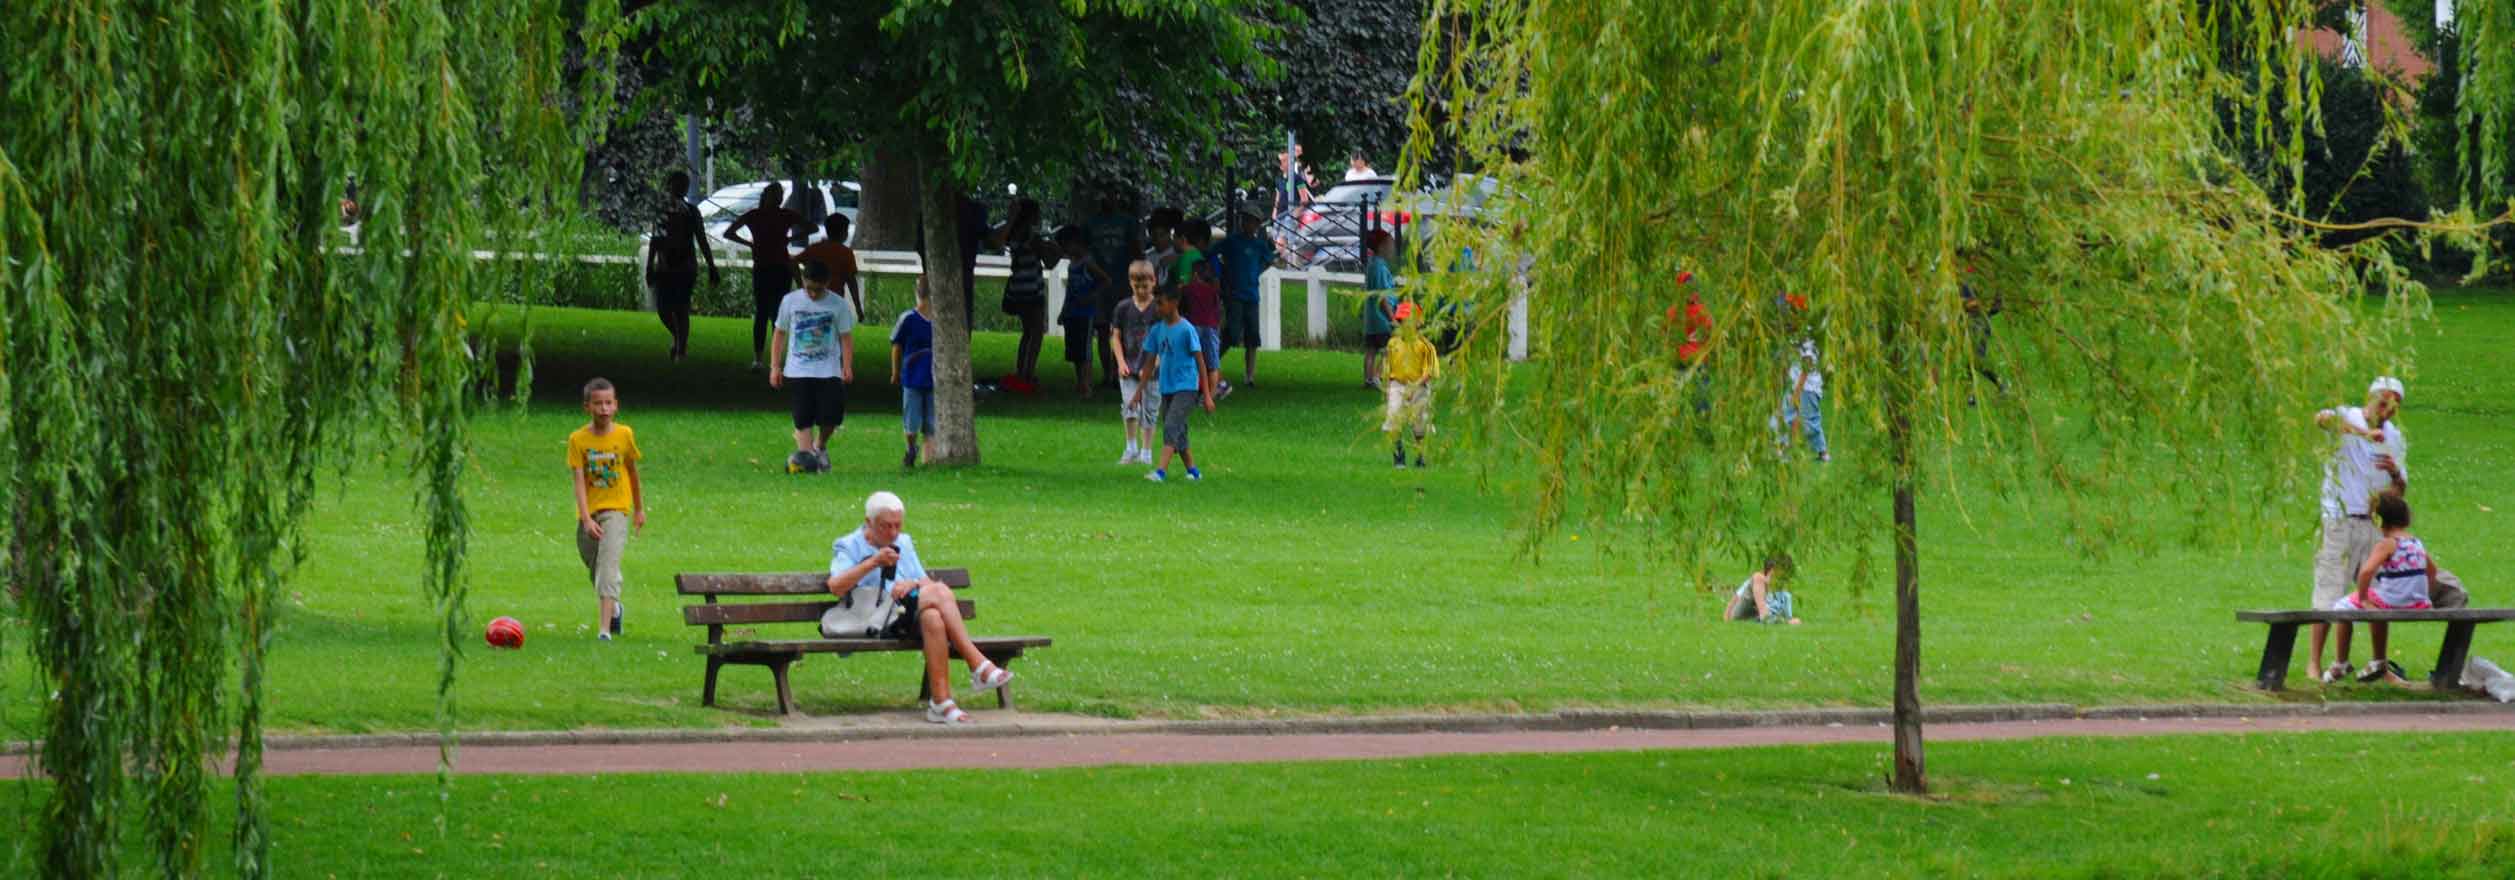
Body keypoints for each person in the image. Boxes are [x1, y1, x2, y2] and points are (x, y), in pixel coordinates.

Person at [826, 491, 1012, 724]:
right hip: (876, 619)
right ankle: (978, 665)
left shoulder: (903, 542)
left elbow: (924, 582)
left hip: (906, 615)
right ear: (869, 523)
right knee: (941, 592)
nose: (893, 533)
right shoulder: (848, 546)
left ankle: (941, 704)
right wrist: (873, 563)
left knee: (933, 616)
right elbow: (835, 586)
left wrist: (911, 583)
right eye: (886, 526)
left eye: (898, 525)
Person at [2307, 376, 2408, 684]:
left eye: (2394, 407)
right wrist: (2366, 434)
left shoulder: (2395, 438)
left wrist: (2394, 474)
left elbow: (2400, 492)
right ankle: (2314, 664)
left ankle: (2379, 664)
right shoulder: (2347, 416)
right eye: (2383, 403)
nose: (2387, 411)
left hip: (2373, 524)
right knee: (2330, 589)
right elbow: (2320, 420)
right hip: (2339, 517)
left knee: (2378, 595)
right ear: (2372, 397)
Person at [568, 378, 644, 640]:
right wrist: (586, 519)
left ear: (616, 405)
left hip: (617, 510)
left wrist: (639, 510)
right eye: (598, 403)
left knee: (608, 568)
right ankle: (615, 610)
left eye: (608, 403)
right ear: (587, 406)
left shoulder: (624, 435)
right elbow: (579, 481)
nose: (604, 409)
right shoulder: (578, 440)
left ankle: (604, 630)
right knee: (595, 566)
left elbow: (633, 472)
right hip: (590, 513)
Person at [2333, 491, 2435, 685]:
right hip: (2417, 603)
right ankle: (2379, 661)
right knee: (2377, 604)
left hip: (2392, 602)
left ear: (2378, 520)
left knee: (2341, 607)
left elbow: (2366, 572)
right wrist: (2423, 595)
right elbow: (2432, 571)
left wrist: (2363, 599)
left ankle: (2341, 663)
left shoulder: (2388, 544)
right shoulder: (2416, 543)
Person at [770, 260, 856, 473]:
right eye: (809, 288)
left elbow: (846, 337)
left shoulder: (838, 305)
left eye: (818, 289)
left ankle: (820, 446)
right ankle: (808, 459)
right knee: (802, 416)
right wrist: (774, 366)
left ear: (827, 283)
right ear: (803, 281)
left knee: (832, 416)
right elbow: (779, 333)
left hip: (828, 370)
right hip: (798, 370)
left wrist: (847, 365)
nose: (813, 294)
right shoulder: (790, 301)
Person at [1132, 284, 1215, 482]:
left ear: (1174, 303)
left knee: (1171, 425)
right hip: (1167, 387)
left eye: (1160, 304)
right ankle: (1193, 472)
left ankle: (1160, 472)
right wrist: (1138, 392)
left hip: (1186, 388)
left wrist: (1208, 395)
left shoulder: (1187, 330)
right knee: (1179, 430)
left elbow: (1201, 363)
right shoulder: (1156, 331)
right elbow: (1150, 363)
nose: (1157, 308)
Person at [724, 182, 804, 371]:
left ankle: (769, 359)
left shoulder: (760, 215)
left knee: (772, 313)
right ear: (768, 196)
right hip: (770, 268)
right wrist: (752, 244)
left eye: (778, 195)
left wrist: (752, 243)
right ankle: (760, 358)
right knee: (765, 313)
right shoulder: (765, 215)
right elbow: (810, 228)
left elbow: (730, 232)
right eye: (775, 195)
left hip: (773, 269)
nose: (777, 199)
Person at [644, 170, 720, 360]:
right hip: (664, 266)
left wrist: (711, 265)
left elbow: (702, 240)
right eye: (676, 184)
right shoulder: (661, 211)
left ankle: (681, 351)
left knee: (681, 308)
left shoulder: (692, 212)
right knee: (663, 309)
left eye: (683, 185)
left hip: (685, 267)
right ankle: (679, 338)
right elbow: (655, 239)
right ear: (669, 186)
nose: (680, 188)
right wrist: (649, 265)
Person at [1085, 194, 1143, 388]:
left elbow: (1136, 250)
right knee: (1102, 329)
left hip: (1122, 283)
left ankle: (1120, 370)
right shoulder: (1091, 223)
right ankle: (1106, 374)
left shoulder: (1127, 222)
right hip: (1099, 284)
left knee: (1121, 329)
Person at [1107, 261, 1162, 465]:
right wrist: (1120, 362)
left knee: (1150, 410)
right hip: (1129, 368)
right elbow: (1115, 337)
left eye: (1145, 285)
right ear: (1130, 283)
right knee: (1130, 406)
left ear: (1153, 282)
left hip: (1153, 370)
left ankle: (1146, 452)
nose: (1141, 289)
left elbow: (1164, 341)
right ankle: (1131, 448)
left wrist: (1154, 364)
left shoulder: (1159, 309)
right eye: (1136, 285)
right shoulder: (1122, 308)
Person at [993, 199, 1050, 386]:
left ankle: (1021, 371)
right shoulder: (1031, 237)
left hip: (1018, 287)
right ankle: (1028, 373)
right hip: (1032, 287)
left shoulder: (1014, 234)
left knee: (1028, 331)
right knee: (1037, 331)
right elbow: (1049, 259)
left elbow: (999, 242)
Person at [1214, 209, 1273, 387]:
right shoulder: (1232, 242)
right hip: (1234, 294)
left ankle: (1250, 375)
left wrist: (1256, 272)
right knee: (1231, 333)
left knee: (1252, 336)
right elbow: (1212, 253)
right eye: (1246, 220)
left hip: (1251, 295)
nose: (1249, 224)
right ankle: (1212, 362)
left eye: (1253, 221)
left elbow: (1269, 260)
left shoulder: (1259, 245)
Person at [1382, 302, 1440, 468]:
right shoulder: (1393, 343)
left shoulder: (1425, 346)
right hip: (1397, 385)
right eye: (1401, 321)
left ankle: (1421, 456)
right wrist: (1388, 388)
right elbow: (1388, 367)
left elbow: (1429, 371)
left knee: (1420, 424)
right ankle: (1398, 456)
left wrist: (1415, 387)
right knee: (1393, 419)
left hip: (1419, 387)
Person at [1772, 296, 1828, 462]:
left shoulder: (1807, 335)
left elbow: (1807, 364)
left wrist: (1797, 392)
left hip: (1808, 387)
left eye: (1791, 311)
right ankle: (1784, 449)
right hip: (1795, 384)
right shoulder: (1793, 335)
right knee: (1787, 415)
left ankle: (1822, 452)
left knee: (1810, 421)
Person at [1053, 225, 1106, 397]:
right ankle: (1080, 382)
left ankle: (1087, 384)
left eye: (1065, 245)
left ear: (1075, 243)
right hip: (1072, 313)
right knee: (1074, 351)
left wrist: (1092, 296)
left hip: (1085, 313)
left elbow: (1105, 280)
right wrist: (1063, 311)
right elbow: (1069, 290)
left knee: (1085, 351)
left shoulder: (1088, 263)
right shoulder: (1072, 265)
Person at [891, 279, 938, 469]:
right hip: (912, 377)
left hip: (934, 378)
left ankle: (929, 462)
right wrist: (895, 371)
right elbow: (896, 345)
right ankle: (911, 448)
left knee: (931, 424)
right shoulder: (908, 318)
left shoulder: (941, 319)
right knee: (911, 422)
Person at [1179, 255, 1228, 402]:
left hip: (1194, 327)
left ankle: (1192, 393)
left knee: (1192, 361)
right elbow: (1217, 310)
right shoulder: (1213, 291)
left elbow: (1182, 304)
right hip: (1211, 328)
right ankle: (1210, 396)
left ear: (1194, 275)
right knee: (1212, 364)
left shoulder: (1188, 289)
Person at [795, 214, 863, 321]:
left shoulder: (814, 249)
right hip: (835, 301)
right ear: (844, 233)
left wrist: (800, 284)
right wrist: (858, 308)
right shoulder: (846, 253)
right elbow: (851, 282)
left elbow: (792, 262)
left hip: (813, 299)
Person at [1360, 231, 1400, 389]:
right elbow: (1382, 296)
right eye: (1390, 245)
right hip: (1382, 318)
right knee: (1389, 350)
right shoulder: (1380, 268)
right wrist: (1392, 318)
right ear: (1381, 247)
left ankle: (1368, 379)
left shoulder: (1371, 265)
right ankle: (1377, 376)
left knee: (1371, 350)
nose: (1393, 249)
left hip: (1371, 320)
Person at [1724, 554, 1803, 625]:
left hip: (1756, 619)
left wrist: (1790, 620)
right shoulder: (1758, 579)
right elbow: (1734, 602)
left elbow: (1788, 617)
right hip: (1746, 614)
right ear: (1771, 571)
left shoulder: (1785, 593)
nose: (1783, 578)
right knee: (1758, 578)